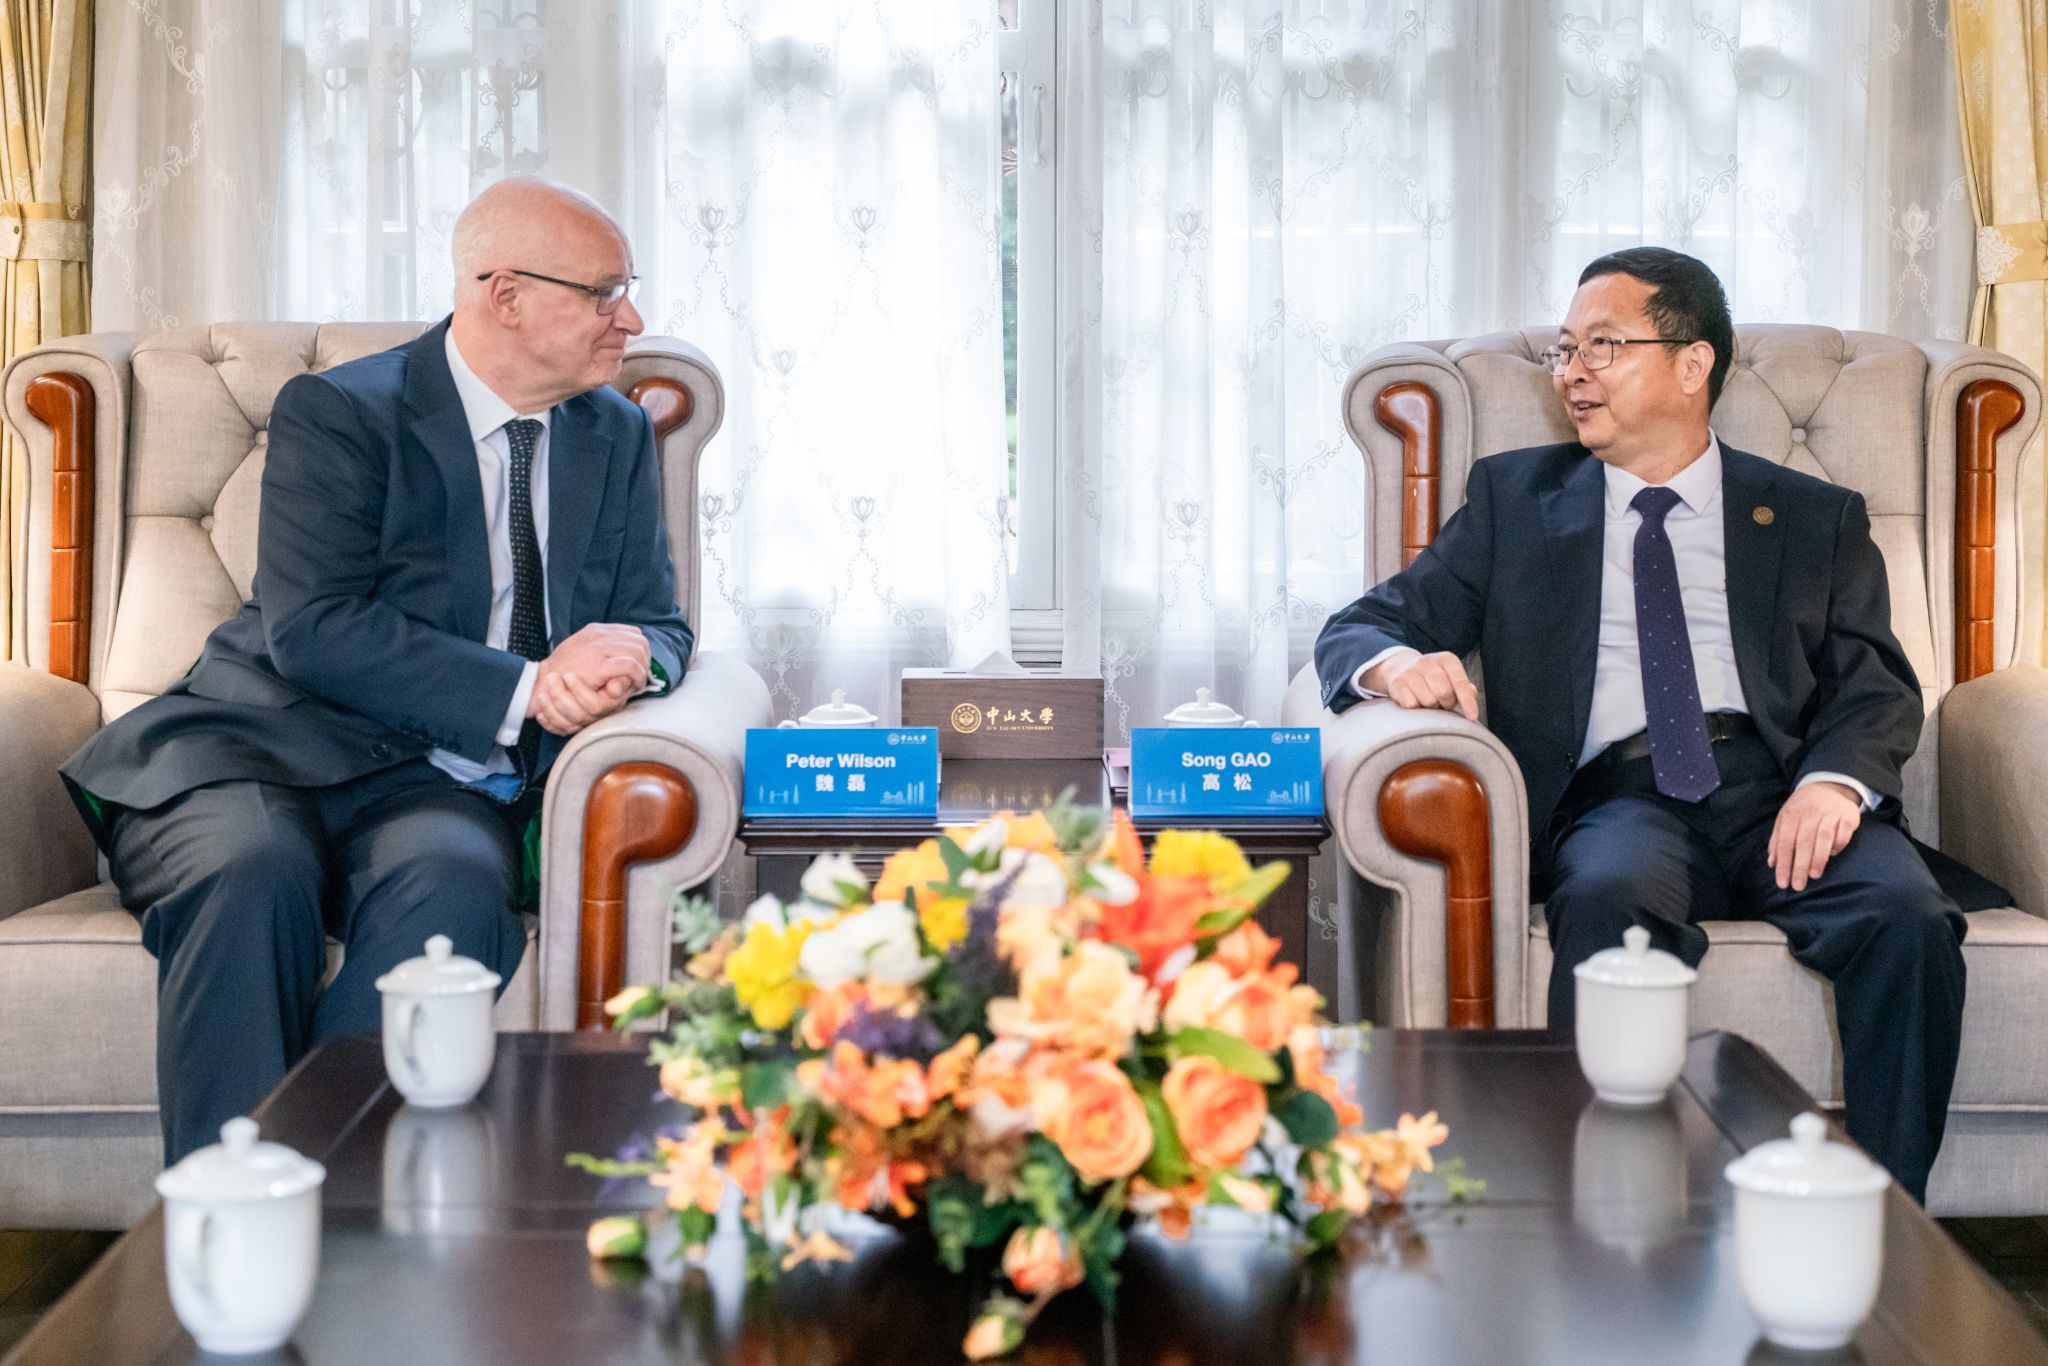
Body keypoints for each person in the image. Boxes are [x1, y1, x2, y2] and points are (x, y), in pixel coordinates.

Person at [1313, 247, 1966, 1201]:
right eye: (1564, 350)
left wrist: (1835, 784)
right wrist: (1396, 664)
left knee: (1908, 919)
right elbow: (1360, 626)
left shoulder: (1811, 515)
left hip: (1782, 788)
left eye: (1602, 347)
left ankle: (1889, 1221)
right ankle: (1601, 1214)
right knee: (1607, 900)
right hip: (1621, 800)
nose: (1572, 372)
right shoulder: (1514, 501)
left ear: (1692, 364)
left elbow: (1875, 684)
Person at [61, 178, 692, 1161]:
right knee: (250, 873)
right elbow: (314, 628)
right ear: (504, 294)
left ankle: (337, 1196)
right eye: (605, 293)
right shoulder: (344, 411)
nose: (632, 319)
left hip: (433, 782)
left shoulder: (613, 433)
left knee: (456, 894)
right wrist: (532, 688)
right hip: (255, 748)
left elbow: (660, 621)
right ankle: (227, 1214)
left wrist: (631, 656)